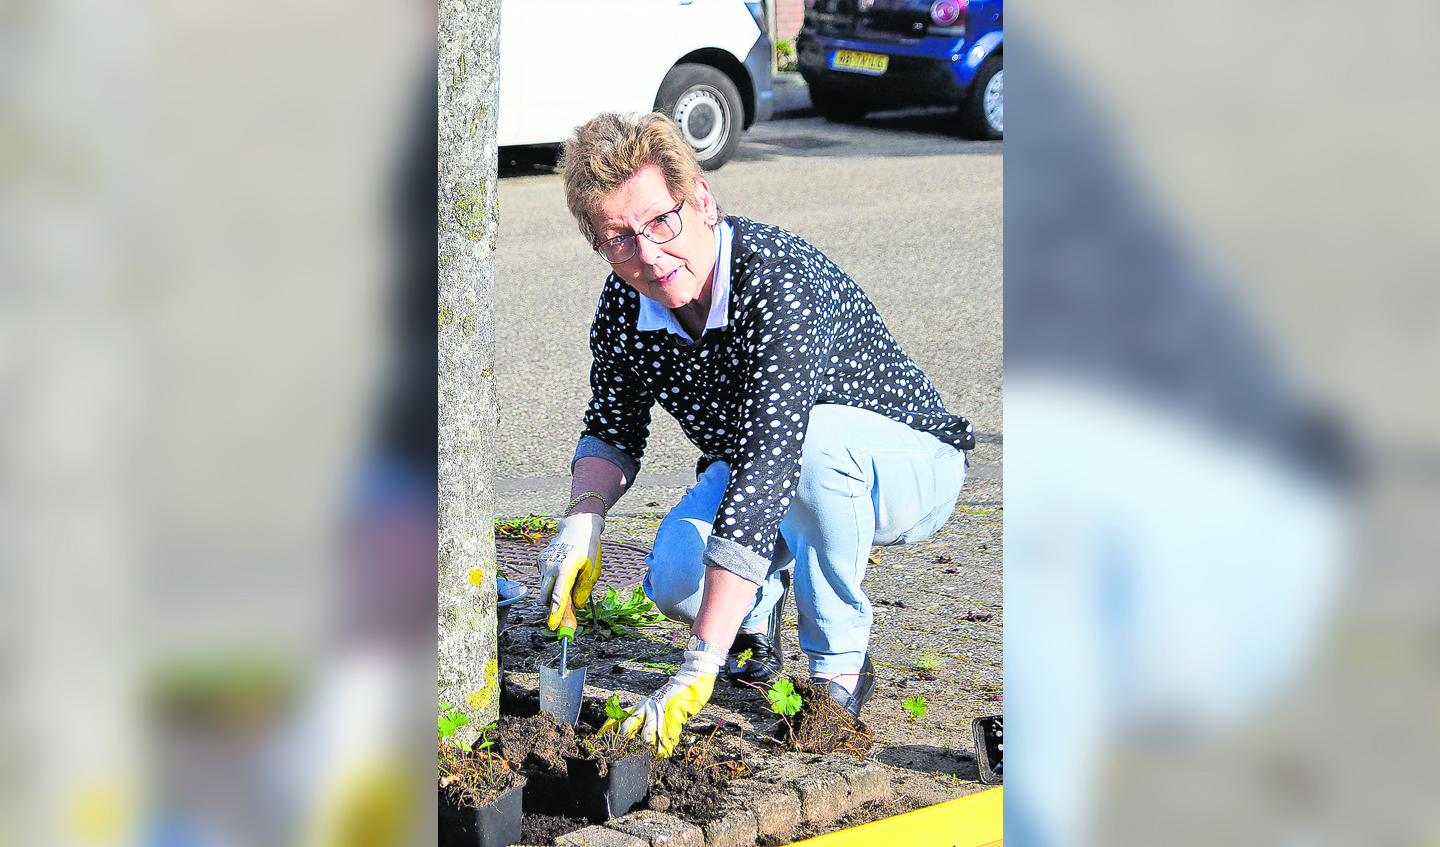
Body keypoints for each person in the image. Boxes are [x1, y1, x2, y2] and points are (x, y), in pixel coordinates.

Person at [535, 112, 974, 755]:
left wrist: (696, 666)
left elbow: (775, 458)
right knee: (679, 575)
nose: (649, 255)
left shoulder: (777, 281)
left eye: (662, 221)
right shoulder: (625, 306)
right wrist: (584, 520)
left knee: (813, 452)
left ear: (703, 200)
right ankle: (753, 617)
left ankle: (837, 670)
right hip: (770, 473)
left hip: (905, 466)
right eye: (619, 238)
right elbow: (612, 424)